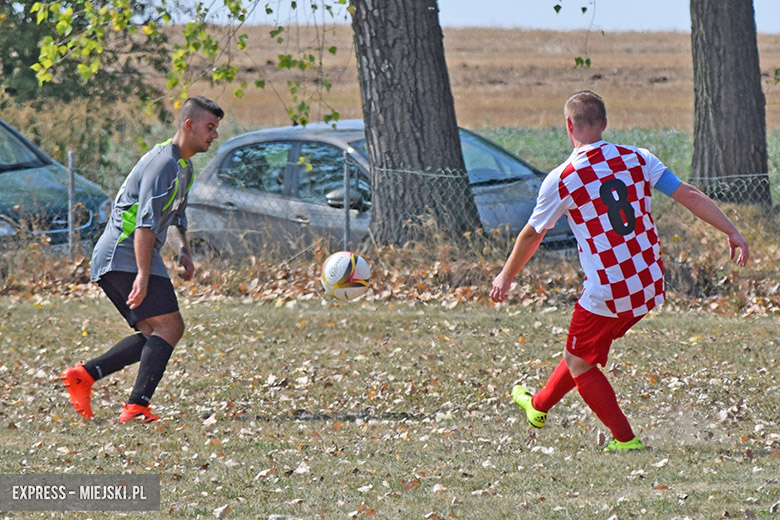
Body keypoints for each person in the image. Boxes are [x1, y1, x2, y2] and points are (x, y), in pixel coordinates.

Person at [491, 90, 749, 451]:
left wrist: (505, 276)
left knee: (579, 363)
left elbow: (533, 234)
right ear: (605, 124)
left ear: (568, 125)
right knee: (583, 351)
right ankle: (537, 406)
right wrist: (731, 231)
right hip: (649, 283)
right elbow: (688, 194)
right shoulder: (638, 158)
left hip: (608, 290)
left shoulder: (563, 178)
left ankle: (625, 440)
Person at [62, 96, 224, 423]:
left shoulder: (184, 167)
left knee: (159, 333)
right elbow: (144, 224)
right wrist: (142, 275)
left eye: (216, 129)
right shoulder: (163, 163)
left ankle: (85, 376)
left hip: (136, 254)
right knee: (168, 327)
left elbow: (175, 217)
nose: (214, 135)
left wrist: (182, 251)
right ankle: (135, 407)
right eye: (210, 127)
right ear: (188, 125)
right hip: (121, 254)